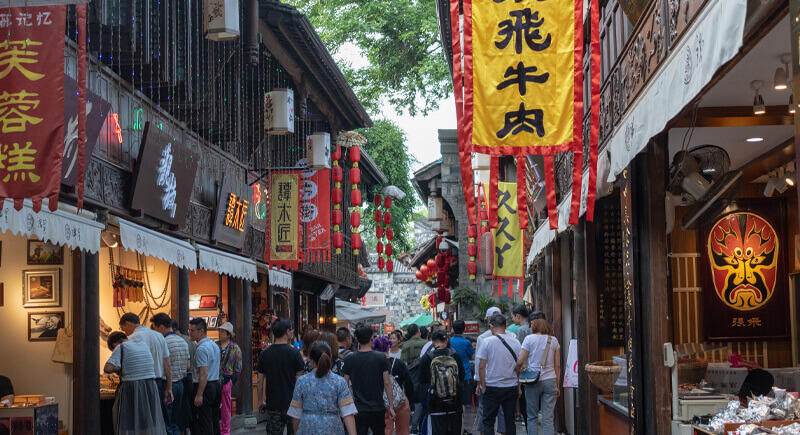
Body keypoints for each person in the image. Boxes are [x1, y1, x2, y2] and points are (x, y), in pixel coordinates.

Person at [104, 331, 167, 434]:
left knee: (129, 422)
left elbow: (107, 368)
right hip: (150, 386)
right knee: (146, 422)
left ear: (114, 345)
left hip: (132, 387)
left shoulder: (121, 348)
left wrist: (118, 368)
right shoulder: (143, 345)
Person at [288, 341, 357, 435]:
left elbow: (296, 414)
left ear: (311, 360)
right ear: (330, 359)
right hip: (333, 428)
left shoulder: (302, 381)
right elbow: (348, 412)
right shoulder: (339, 382)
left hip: (307, 428)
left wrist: (296, 432)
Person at [342, 323, 395, 435]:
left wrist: (349, 402)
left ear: (356, 339)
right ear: (372, 337)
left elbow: (345, 383)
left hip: (358, 408)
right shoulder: (380, 357)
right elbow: (387, 383)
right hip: (378, 407)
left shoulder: (350, 358)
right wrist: (391, 406)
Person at [257, 318, 304, 435]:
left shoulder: (265, 354)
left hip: (273, 403)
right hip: (292, 402)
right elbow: (299, 377)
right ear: (287, 332)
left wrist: (260, 400)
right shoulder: (294, 353)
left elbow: (260, 380)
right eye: (291, 330)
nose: (292, 332)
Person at [516, 318, 560, 435]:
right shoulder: (554, 340)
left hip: (532, 380)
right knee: (548, 418)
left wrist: (516, 370)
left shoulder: (528, 339)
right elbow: (558, 365)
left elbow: (521, 361)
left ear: (534, 327)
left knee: (532, 416)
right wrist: (558, 386)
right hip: (550, 380)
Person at [478, 315, 521, 435]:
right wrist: (518, 384)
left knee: (489, 421)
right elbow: (520, 365)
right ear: (506, 326)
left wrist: (483, 385)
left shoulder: (486, 342)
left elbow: (481, 366)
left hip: (492, 386)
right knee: (510, 421)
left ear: (491, 326)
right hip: (510, 386)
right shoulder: (516, 342)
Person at [120, 313, 173, 410]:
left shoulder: (131, 338)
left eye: (124, 329)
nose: (125, 333)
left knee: (143, 417)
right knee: (157, 416)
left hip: (141, 384)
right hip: (159, 383)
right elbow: (167, 364)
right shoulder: (159, 336)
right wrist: (169, 388)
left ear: (128, 324)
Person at [418, 330, 465, 435]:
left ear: (433, 342)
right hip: (454, 402)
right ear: (446, 340)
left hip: (435, 403)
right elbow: (462, 376)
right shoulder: (454, 355)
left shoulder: (427, 357)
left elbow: (422, 379)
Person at [151, 314, 189, 435]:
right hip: (180, 385)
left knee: (166, 421)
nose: (155, 332)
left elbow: (166, 366)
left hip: (167, 386)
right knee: (175, 421)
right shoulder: (183, 340)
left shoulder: (163, 342)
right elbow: (188, 366)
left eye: (155, 329)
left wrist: (168, 388)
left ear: (161, 327)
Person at [474, 307, 507, 435]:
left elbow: (479, 363)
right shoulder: (511, 336)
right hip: (506, 379)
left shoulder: (483, 338)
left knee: (484, 410)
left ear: (489, 320)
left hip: (487, 379)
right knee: (503, 411)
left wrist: (479, 383)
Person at [373, 336, 413, 435]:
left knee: (386, 430)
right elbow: (409, 383)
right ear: (388, 347)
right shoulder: (399, 363)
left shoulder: (373, 364)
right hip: (400, 401)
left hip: (381, 402)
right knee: (403, 430)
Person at [188, 317, 222, 435]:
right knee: (214, 419)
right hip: (216, 384)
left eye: (192, 330)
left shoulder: (202, 348)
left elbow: (203, 373)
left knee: (205, 420)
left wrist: (199, 394)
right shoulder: (214, 345)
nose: (190, 333)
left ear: (201, 331)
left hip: (206, 386)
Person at [449, 320, 476, 430]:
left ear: (453, 329)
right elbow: (472, 357)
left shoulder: (449, 341)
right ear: (464, 329)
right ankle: (464, 426)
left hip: (451, 375)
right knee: (465, 402)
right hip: (465, 375)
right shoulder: (466, 343)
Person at [217, 322, 242, 435]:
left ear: (228, 335)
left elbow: (238, 368)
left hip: (227, 380)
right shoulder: (215, 345)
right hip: (214, 380)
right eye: (220, 332)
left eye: (222, 332)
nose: (220, 334)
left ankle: (225, 431)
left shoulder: (235, 348)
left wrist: (231, 381)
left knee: (226, 408)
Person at [173, 320, 195, 434]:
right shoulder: (189, 340)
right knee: (188, 408)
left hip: (182, 378)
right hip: (190, 378)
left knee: (181, 410)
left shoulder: (177, 341)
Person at [511, 305, 531, 426]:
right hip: (536, 368)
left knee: (525, 401)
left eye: (512, 316)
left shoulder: (521, 330)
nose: (512, 319)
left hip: (525, 368)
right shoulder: (532, 327)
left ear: (518, 316)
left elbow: (520, 352)